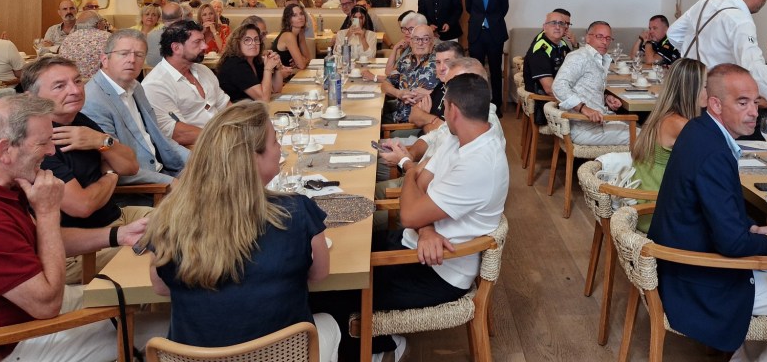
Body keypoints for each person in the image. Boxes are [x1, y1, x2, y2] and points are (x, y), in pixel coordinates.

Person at [311, 72, 508, 362]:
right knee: (338, 254)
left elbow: (409, 210)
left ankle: (383, 348)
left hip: (438, 271)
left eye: (444, 106)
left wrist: (414, 188)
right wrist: (425, 226)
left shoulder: (480, 163)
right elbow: (419, 180)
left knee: (326, 288)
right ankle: (369, 345)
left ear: (453, 110)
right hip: (417, 243)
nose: (441, 112)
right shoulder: (460, 137)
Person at [649, 64, 767, 362]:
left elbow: (716, 211)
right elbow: (731, 243)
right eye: (742, 103)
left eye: (755, 102)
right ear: (715, 104)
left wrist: (755, 229)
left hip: (681, 261)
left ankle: (743, 356)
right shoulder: (714, 152)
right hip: (697, 279)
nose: (754, 112)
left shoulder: (699, 130)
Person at [0, 94, 165, 362]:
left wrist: (118, 235)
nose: (52, 151)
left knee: (140, 299)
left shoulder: (2, 184)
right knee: (163, 328)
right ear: (4, 150)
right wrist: (48, 212)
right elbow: (47, 304)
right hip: (9, 343)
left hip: (26, 311)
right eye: (43, 143)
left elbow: (42, 240)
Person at [142, 101, 340, 361]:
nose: (280, 148)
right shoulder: (297, 212)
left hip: (199, 357)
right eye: (275, 141)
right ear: (253, 158)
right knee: (330, 324)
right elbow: (318, 275)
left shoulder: (168, 218)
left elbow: (161, 287)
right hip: (282, 354)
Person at [22, 56, 151, 283]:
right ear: (31, 98)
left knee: (189, 221)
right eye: (60, 86)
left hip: (119, 218)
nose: (75, 90)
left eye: (77, 81)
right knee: (168, 251)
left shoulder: (80, 120)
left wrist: (100, 140)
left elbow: (130, 166)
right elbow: (83, 206)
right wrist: (110, 175)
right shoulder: (37, 142)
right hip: (83, 248)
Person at [83, 29, 190, 185]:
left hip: (167, 170)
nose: (132, 60)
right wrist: (171, 182)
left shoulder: (135, 87)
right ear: (105, 59)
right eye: (124, 53)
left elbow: (159, 137)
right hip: (144, 187)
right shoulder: (93, 100)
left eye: (139, 55)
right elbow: (114, 166)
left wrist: (198, 160)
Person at [630, 58, 706, 230]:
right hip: (656, 212)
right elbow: (714, 157)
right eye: (706, 86)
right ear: (692, 89)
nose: (711, 91)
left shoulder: (663, 115)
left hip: (643, 204)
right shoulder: (680, 124)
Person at [142, 20, 230, 147]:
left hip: (222, 139)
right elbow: (177, 133)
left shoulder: (203, 70)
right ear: (176, 48)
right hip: (196, 149)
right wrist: (223, 137)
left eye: (203, 40)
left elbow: (225, 105)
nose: (205, 46)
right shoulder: (155, 84)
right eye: (197, 42)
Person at [551, 21, 629, 145]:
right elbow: (559, 86)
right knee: (646, 138)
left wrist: (605, 98)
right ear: (588, 38)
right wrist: (583, 108)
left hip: (599, 123)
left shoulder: (599, 59)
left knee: (645, 130)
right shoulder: (579, 56)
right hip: (584, 129)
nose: (604, 42)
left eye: (608, 38)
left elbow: (585, 89)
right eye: (600, 36)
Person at [464, 0, 509, 115]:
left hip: (495, 34)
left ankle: (496, 106)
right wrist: (480, 20)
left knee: (495, 71)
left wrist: (491, 20)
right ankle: (476, 106)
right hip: (476, 34)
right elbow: (469, 8)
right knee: (475, 70)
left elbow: (504, 9)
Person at [522, 9, 574, 126]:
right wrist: (577, 102)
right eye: (553, 23)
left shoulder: (561, 44)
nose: (558, 27)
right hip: (546, 105)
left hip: (561, 94)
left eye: (561, 24)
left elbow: (576, 66)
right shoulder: (540, 50)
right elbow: (550, 89)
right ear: (544, 27)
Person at [379, 24, 438, 124]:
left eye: (425, 39)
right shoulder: (405, 61)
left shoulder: (439, 62)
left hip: (417, 124)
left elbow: (453, 91)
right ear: (411, 42)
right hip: (397, 117)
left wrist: (430, 93)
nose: (420, 43)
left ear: (432, 42)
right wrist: (398, 93)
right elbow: (385, 84)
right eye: (416, 39)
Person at [217, 23, 285, 102]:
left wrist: (277, 68)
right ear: (237, 43)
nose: (253, 43)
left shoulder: (256, 61)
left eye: (256, 39)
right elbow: (263, 99)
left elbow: (275, 91)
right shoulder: (235, 64)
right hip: (235, 109)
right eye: (247, 40)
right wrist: (268, 69)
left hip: (250, 107)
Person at [57, 10, 111, 81]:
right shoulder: (108, 38)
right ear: (99, 24)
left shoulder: (67, 39)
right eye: (103, 21)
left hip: (74, 83)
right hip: (102, 84)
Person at [272, 3, 312, 70]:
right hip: (280, 74)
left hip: (292, 72)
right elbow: (301, 65)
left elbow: (308, 58)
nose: (300, 17)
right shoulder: (288, 36)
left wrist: (302, 61)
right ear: (288, 20)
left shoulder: (300, 32)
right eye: (294, 15)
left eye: (301, 14)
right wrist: (301, 61)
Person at [146, 0, 183, 67]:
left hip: (151, 72)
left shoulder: (151, 35)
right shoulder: (185, 36)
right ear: (181, 17)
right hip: (177, 73)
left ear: (162, 19)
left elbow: (150, 62)